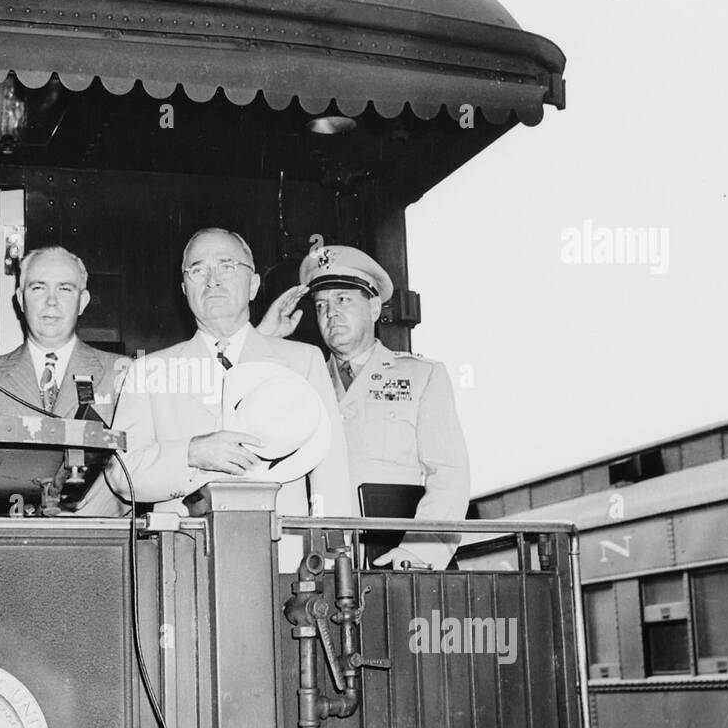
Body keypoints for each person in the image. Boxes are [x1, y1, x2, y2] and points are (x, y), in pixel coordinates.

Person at [105, 227, 353, 523]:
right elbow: (121, 472)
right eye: (198, 270)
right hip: (183, 555)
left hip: (284, 554)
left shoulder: (302, 361)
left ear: (253, 285)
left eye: (227, 266)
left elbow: (331, 472)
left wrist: (330, 560)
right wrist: (192, 452)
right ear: (184, 290)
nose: (213, 280)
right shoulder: (147, 370)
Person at [266, 245, 469, 570]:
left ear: (374, 307)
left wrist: (420, 553)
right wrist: (266, 340)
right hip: (318, 562)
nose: (330, 313)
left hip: (398, 559)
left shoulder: (421, 375)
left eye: (343, 300)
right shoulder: (299, 381)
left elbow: (449, 473)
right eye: (321, 305)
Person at [0, 246, 129, 514]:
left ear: (83, 301)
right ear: (20, 300)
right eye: (38, 288)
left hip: (97, 541)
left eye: (65, 289)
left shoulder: (122, 373)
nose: (52, 301)